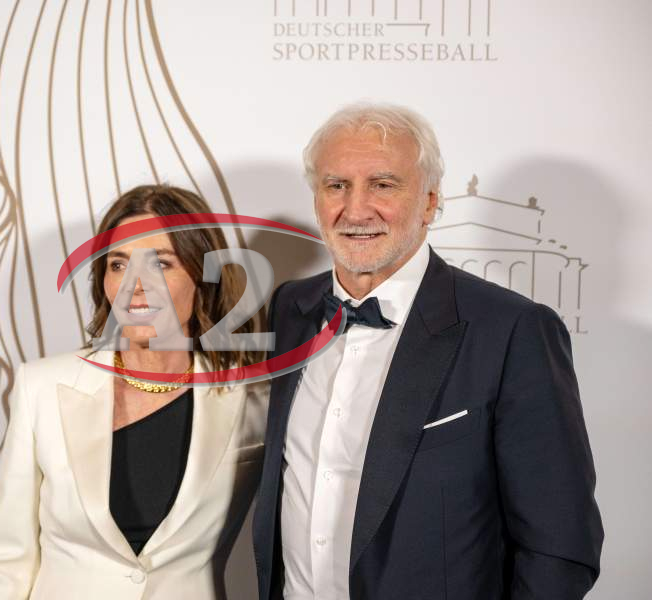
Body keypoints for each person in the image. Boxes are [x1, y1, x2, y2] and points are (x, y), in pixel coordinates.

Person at [252, 102, 603, 599]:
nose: (356, 210)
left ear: (430, 201)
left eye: (383, 185)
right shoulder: (291, 308)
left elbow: (560, 546)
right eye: (337, 185)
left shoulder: (512, 331)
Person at [0, 184, 268, 599]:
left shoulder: (253, 397)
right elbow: (6, 559)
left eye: (161, 263)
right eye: (118, 265)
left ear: (203, 277)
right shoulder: (42, 387)